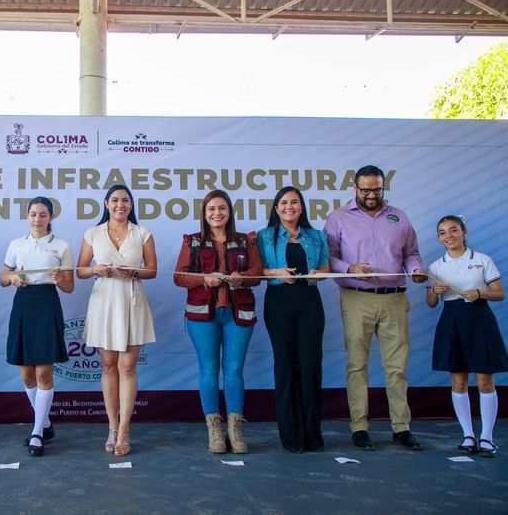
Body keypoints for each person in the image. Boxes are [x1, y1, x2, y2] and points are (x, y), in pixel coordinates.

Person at [323, 164, 428, 451]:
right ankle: (359, 427)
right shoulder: (338, 218)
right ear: (354, 188)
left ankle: (401, 427)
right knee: (357, 365)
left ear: (383, 187)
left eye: (377, 189)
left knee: (396, 367)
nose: (371, 194)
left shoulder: (399, 216)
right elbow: (327, 258)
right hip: (357, 298)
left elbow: (411, 253)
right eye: (366, 189)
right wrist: (350, 267)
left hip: (395, 297)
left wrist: (416, 269)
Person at [173, 189, 262, 454]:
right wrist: (204, 278)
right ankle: (214, 429)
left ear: (229, 212)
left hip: (237, 314)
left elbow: (257, 274)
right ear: (204, 213)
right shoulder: (192, 241)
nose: (217, 213)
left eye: (222, 208)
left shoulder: (247, 241)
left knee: (234, 371)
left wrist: (241, 278)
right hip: (203, 316)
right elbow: (179, 277)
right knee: (209, 371)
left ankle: (235, 430)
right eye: (211, 209)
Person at [76, 184, 157, 456]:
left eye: (125, 200)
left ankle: (125, 429)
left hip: (132, 301)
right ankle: (111, 426)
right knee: (109, 365)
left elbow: (152, 270)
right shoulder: (92, 233)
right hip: (103, 303)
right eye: (115, 200)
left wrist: (133, 273)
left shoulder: (142, 233)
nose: (120, 204)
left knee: (128, 366)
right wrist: (95, 269)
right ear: (106, 204)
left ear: (131, 205)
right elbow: (81, 270)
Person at [0, 196, 74, 457]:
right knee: (26, 375)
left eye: (43, 214)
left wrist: (58, 279)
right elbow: (2, 277)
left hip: (47, 304)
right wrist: (13, 278)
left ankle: (37, 432)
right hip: (23, 304)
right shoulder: (16, 244)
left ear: (51, 217)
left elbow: (69, 286)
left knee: (44, 374)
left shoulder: (62, 246)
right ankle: (46, 423)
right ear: (27, 216)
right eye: (33, 214)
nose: (37, 219)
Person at [426, 215, 506, 457]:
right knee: (458, 381)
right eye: (442, 232)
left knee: (484, 381)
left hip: (479, 320)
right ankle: (468, 435)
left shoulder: (482, 260)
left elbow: (499, 294)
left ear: (464, 232)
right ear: (439, 238)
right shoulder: (436, 267)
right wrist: (436, 292)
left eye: (453, 230)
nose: (448, 236)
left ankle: (487, 437)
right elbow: (430, 303)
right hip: (452, 322)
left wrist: (480, 293)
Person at [257, 186, 329, 453]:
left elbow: (325, 267)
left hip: (310, 303)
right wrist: (275, 271)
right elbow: (256, 271)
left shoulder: (316, 236)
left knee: (310, 365)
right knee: (285, 364)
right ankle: (291, 436)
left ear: (301, 207)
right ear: (276, 208)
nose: (290, 206)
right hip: (278, 303)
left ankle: (312, 434)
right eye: (284, 202)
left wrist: (317, 275)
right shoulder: (264, 237)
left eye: (295, 202)